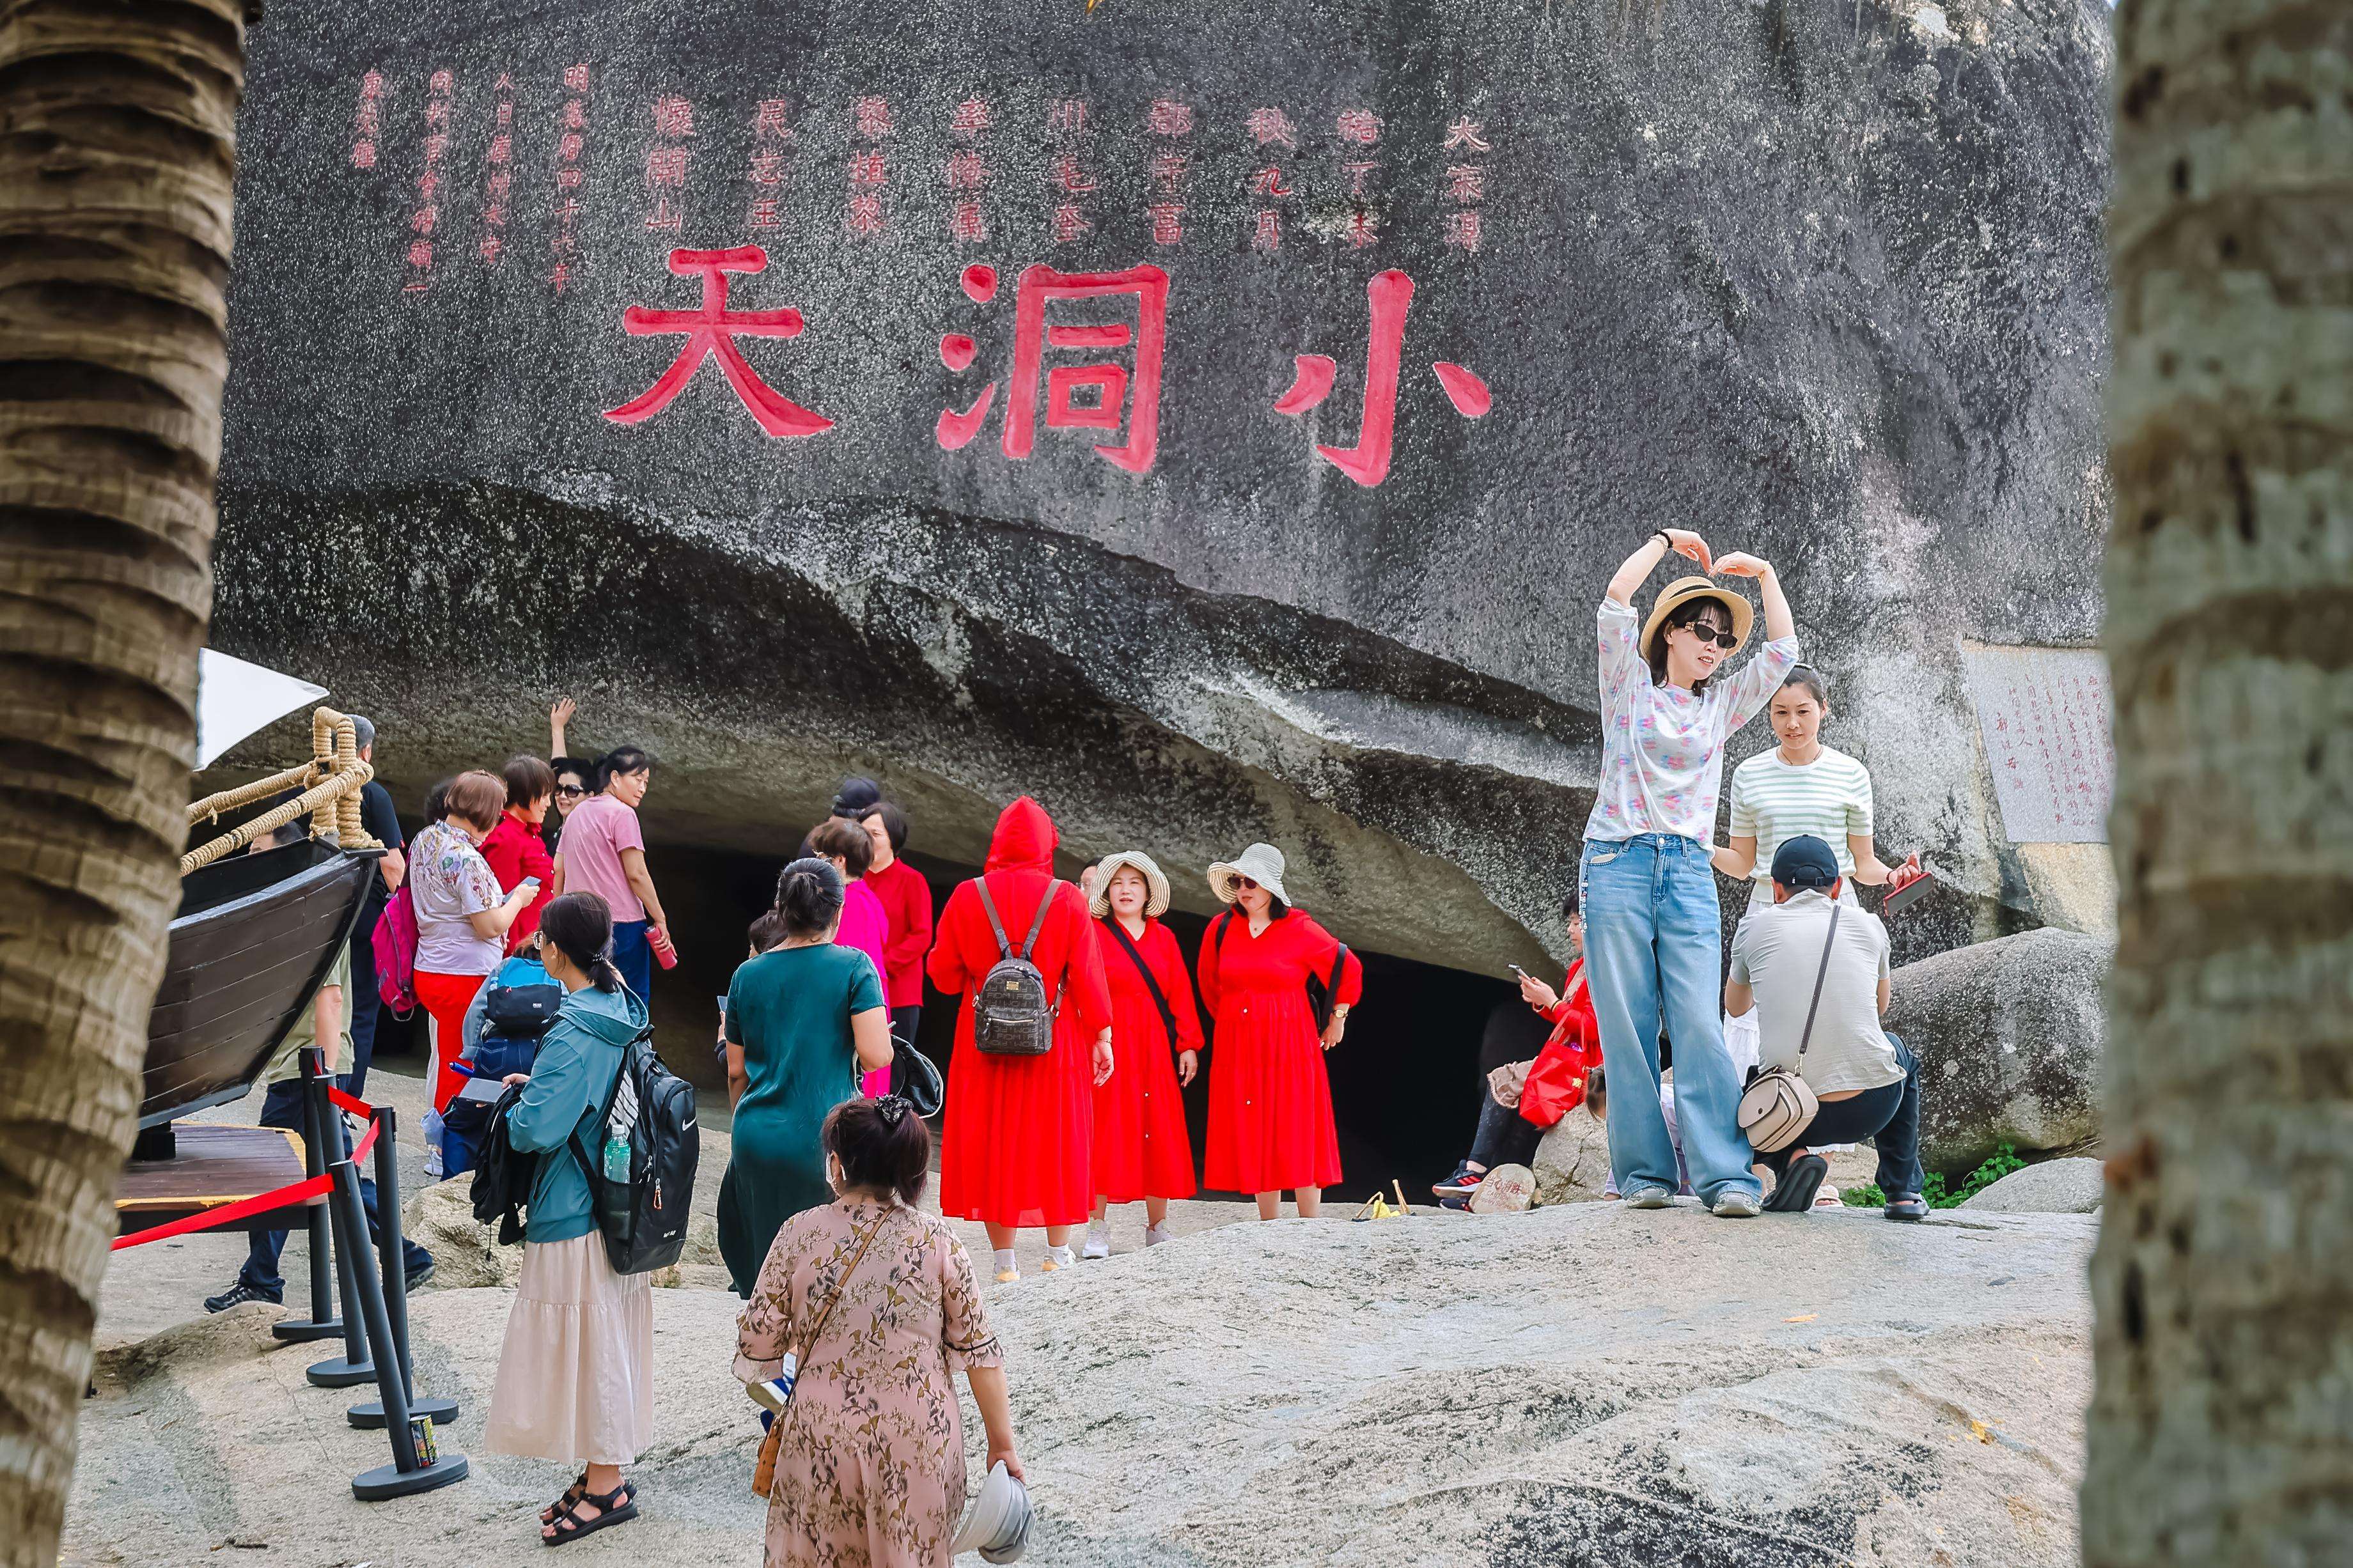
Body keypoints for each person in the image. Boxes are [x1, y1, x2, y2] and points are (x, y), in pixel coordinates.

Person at [1581, 528, 1799, 1219]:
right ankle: (1644, 1172)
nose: (1712, 644)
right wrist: (1663, 541)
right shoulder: (1626, 689)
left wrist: (1763, 573)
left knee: (1699, 1025)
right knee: (1626, 1022)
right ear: (1669, 634)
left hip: (1685, 867)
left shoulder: (1720, 706)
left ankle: (1724, 1177)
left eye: (1722, 638)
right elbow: (1615, 600)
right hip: (1614, 859)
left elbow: (1783, 654)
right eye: (1700, 629)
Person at [735, 1097, 1020, 1568]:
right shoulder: (939, 1241)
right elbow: (981, 1354)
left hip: (822, 1439)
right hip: (917, 1442)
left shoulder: (798, 1233)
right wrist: (1002, 1445)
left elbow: (757, 1344)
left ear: (838, 1163)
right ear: (913, 1171)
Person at [203, 816, 432, 1312]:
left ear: (286, 854)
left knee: (287, 1173)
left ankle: (265, 1278)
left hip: (309, 1070)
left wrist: (323, 1078)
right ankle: (404, 1257)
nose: (250, 859)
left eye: (259, 849)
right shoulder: (296, 912)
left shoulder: (313, 914)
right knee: (332, 1173)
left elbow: (330, 1000)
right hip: (303, 1067)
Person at [484, 893, 654, 1544]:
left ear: (556, 949)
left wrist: (523, 1103)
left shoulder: (572, 1026)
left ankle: (607, 1484)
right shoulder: (616, 1006)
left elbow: (537, 1130)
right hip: (612, 1196)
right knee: (602, 1335)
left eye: (542, 935)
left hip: (571, 1204)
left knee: (589, 1344)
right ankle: (597, 1469)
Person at [927, 796, 1113, 1282]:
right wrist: (1104, 1035)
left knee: (995, 1145)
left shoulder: (969, 895)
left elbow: (943, 975)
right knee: (1056, 1140)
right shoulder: (1068, 898)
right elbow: (1090, 977)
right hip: (1056, 1043)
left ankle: (1005, 1264)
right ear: (1046, 844)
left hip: (984, 1046)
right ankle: (1057, 1253)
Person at [1724, 835, 1928, 1220]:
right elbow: (1879, 1008)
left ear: (1777, 890)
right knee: (1898, 1051)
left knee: (1753, 1078)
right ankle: (1903, 1192)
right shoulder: (1869, 926)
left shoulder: (1753, 928)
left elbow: (1735, 1008)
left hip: (1791, 1112)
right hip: (1872, 1107)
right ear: (1837, 887)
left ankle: (1790, 1159)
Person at [719, 860, 895, 1296]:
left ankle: (769, 1362)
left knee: (766, 1278)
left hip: (757, 1135)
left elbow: (736, 1069)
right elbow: (876, 1055)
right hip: (826, 1137)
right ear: (837, 910)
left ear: (781, 907)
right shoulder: (855, 966)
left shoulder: (747, 974)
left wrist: (746, 1123)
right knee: (825, 1278)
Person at [1198, 842, 1364, 1221]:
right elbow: (1209, 982)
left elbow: (1347, 964)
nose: (1243, 889)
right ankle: (1268, 1223)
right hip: (1238, 1043)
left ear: (1271, 887)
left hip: (1290, 1039)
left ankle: (1310, 1224)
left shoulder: (1300, 927)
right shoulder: (1221, 927)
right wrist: (1232, 1022)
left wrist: (1338, 1016)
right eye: (1238, 881)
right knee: (1253, 1121)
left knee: (1296, 1121)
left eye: (1251, 882)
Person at [1433, 892, 1599, 1203]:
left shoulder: (1607, 969)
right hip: (1565, 1056)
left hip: (1586, 1066)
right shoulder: (1580, 967)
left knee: (1505, 1080)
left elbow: (1594, 1028)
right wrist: (1543, 1004)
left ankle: (1474, 1173)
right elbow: (1569, 1021)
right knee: (1515, 1098)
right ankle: (1480, 1186)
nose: (1570, 930)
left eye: (1577, 923)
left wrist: (1552, 1002)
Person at [1081, 851, 1201, 1257]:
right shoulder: (1093, 932)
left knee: (1158, 1130)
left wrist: (1187, 1044)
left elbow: (1181, 995)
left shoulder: (1165, 938)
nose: (1126, 890)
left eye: (1135, 882)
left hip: (1153, 1045)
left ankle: (1157, 1226)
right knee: (1105, 1131)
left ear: (1148, 891)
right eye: (1118, 882)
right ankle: (1097, 1229)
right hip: (1107, 1043)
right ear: (1106, 891)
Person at [410, 770, 538, 1123]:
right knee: (463, 1063)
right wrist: (520, 900)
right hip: (463, 975)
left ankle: (442, 1137)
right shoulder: (465, 858)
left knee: (446, 1055)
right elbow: (489, 926)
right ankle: (448, 1141)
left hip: (431, 967)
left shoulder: (427, 838)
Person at [550, 746, 670, 1001]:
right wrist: (659, 918)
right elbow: (637, 873)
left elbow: (558, 869)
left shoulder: (576, 814)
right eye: (637, 780)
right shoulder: (623, 814)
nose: (642, 788)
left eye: (646, 782)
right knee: (630, 999)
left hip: (577, 922)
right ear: (615, 778)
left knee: (586, 994)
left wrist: (555, 918)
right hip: (621, 925)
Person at [343, 714, 405, 1098]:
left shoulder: (306, 791)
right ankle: (347, 1100)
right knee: (362, 1011)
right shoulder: (373, 794)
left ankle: (311, 1091)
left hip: (315, 916)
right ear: (366, 751)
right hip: (364, 914)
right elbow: (393, 863)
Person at [807, 817, 891, 1094]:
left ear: (840, 861)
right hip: (868, 1014)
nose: (817, 862)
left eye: (822, 856)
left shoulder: (848, 904)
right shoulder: (869, 900)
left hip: (851, 1020)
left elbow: (841, 968)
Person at [858, 802, 934, 1056]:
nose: (868, 840)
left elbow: (922, 935)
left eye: (876, 834)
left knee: (897, 1066)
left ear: (894, 838)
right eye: (863, 833)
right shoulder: (853, 878)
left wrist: (882, 965)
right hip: (857, 986)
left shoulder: (913, 880)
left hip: (900, 988)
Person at [480, 754, 558, 955]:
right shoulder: (505, 838)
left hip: (537, 943)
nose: (549, 803)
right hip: (520, 951)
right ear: (526, 794)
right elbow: (503, 902)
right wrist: (512, 957)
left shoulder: (529, 831)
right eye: (544, 795)